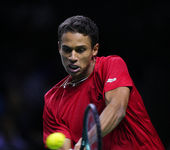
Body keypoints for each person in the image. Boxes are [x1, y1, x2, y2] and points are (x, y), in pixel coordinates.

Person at [43, 15, 165, 150]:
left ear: (94, 49)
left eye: (80, 50)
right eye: (67, 49)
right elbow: (64, 147)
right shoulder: (52, 101)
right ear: (59, 47)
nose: (72, 57)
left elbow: (117, 108)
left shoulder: (111, 66)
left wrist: (87, 140)